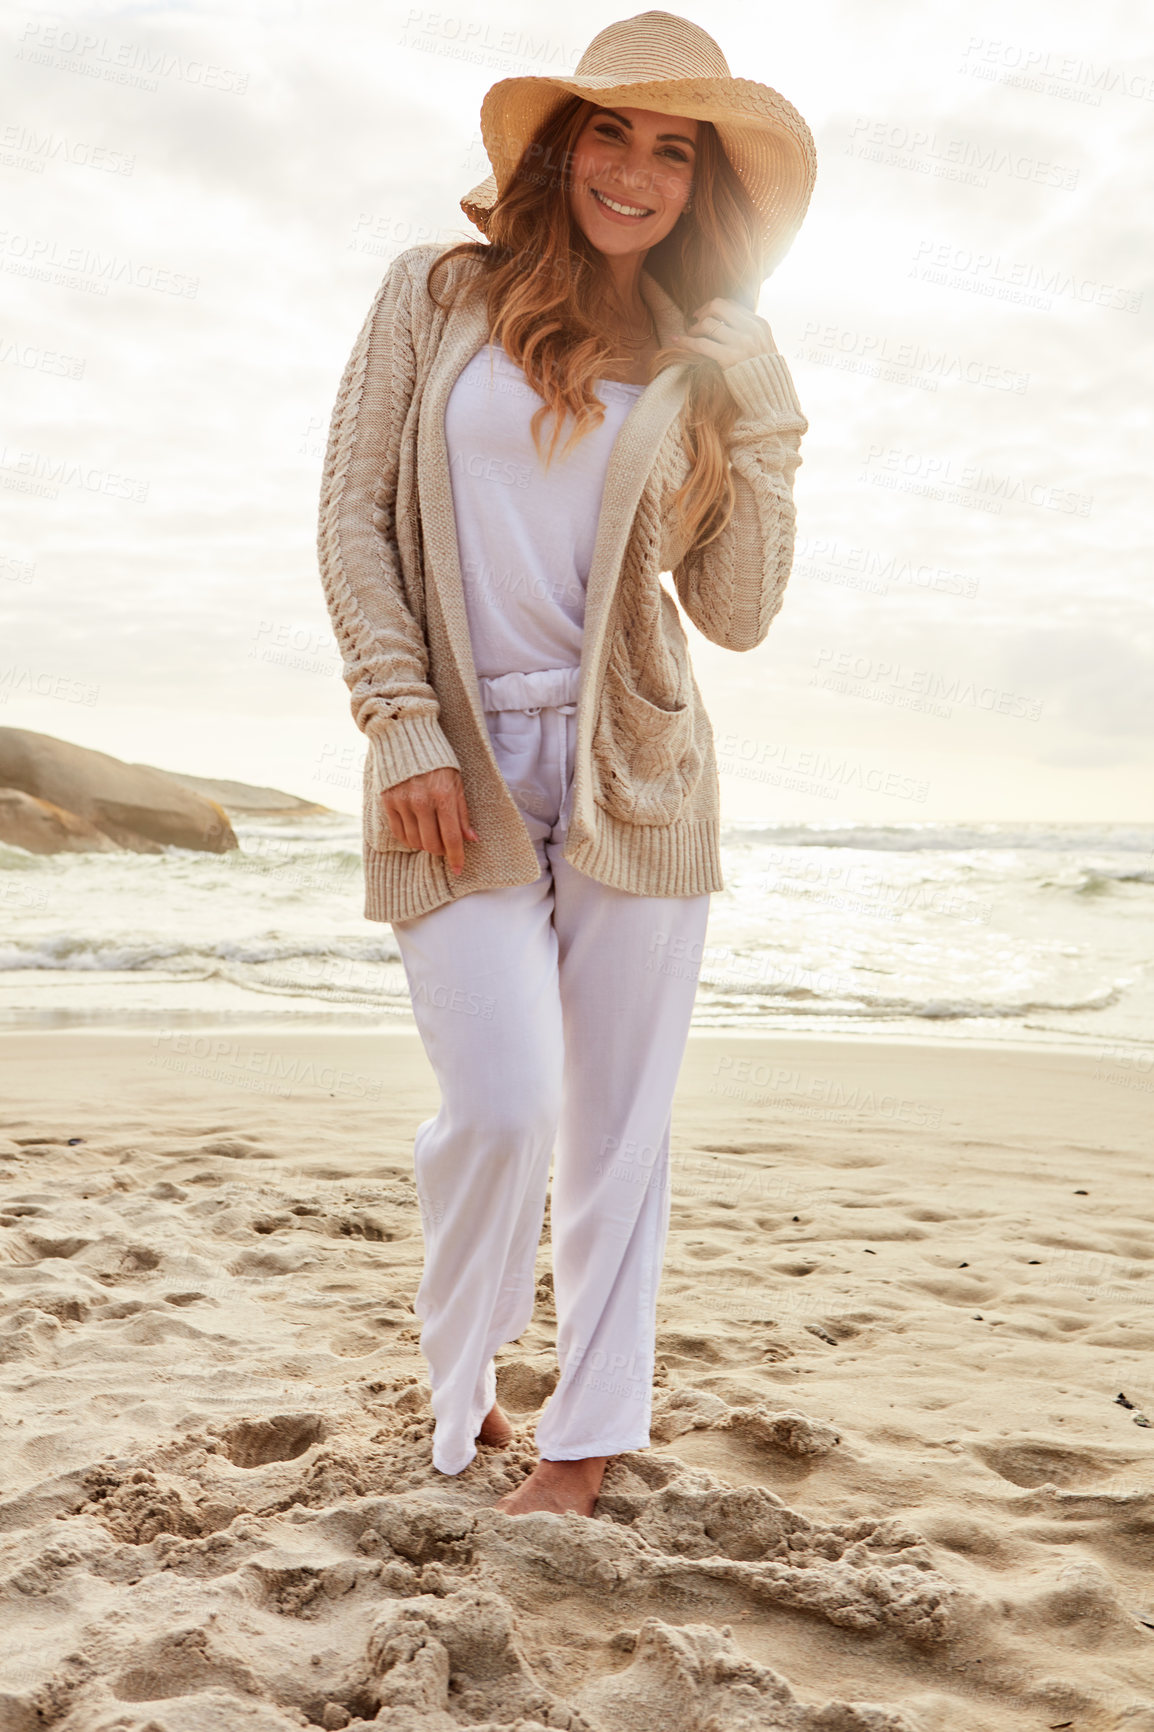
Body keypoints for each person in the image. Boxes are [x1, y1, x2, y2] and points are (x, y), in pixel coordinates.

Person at [316, 10, 816, 1516]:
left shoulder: (698, 358)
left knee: (617, 1133)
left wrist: (767, 422)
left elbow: (730, 617)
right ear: (559, 144)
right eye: (613, 132)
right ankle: (455, 1383)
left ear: (700, 189)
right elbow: (351, 521)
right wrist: (399, 722)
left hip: (638, 777)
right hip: (451, 766)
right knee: (504, 1107)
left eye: (675, 151)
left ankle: (584, 1446)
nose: (637, 172)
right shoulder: (435, 293)